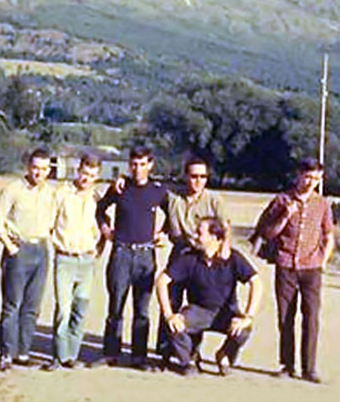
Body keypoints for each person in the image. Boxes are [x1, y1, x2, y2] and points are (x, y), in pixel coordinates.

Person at [251, 158, 334, 383]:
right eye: (307, 177)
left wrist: (324, 260)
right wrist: (285, 215)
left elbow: (328, 235)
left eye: (316, 179)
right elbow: (267, 232)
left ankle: (310, 367)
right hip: (286, 264)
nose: (311, 183)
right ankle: (287, 364)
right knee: (286, 316)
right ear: (298, 175)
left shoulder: (323, 204)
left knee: (311, 317)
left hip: (311, 267)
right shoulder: (281, 200)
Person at [94, 145, 170, 370]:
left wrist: (162, 232)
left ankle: (139, 357)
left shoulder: (158, 190)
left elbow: (172, 214)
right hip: (121, 253)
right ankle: (111, 353)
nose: (138, 169)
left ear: (150, 165)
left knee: (142, 310)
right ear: (129, 165)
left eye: (142, 164)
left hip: (145, 255)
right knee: (115, 306)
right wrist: (105, 229)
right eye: (134, 164)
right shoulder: (119, 187)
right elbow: (100, 209)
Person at [155, 217, 262, 376]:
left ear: (214, 238)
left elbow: (256, 282)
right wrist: (169, 315)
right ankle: (189, 358)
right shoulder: (189, 258)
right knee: (175, 326)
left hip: (225, 312)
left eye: (200, 233)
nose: (195, 236)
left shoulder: (233, 258)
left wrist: (248, 316)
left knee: (244, 329)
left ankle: (224, 355)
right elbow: (162, 281)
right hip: (198, 311)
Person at [156, 157, 230, 367]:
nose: (198, 181)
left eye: (202, 177)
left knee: (197, 306)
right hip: (180, 253)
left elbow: (225, 226)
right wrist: (122, 180)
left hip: (203, 257)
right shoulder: (172, 196)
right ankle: (164, 351)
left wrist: (224, 247)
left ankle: (191, 352)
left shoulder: (214, 200)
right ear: (186, 176)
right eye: (194, 176)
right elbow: (149, 189)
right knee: (170, 301)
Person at [0, 147, 54, 372]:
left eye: (44, 169)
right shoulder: (12, 190)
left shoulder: (50, 192)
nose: (39, 173)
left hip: (42, 250)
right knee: (12, 305)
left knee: (32, 306)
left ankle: (23, 353)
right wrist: (10, 246)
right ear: (28, 166)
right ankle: (6, 353)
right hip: (18, 250)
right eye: (35, 168)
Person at [43, 154, 102, 370]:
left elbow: (102, 226)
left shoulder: (96, 197)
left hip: (86, 260)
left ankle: (71, 355)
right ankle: (58, 356)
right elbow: (49, 223)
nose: (87, 178)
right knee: (63, 310)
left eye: (92, 175)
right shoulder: (61, 194)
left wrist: (98, 249)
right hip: (65, 259)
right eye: (84, 173)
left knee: (80, 309)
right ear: (78, 171)